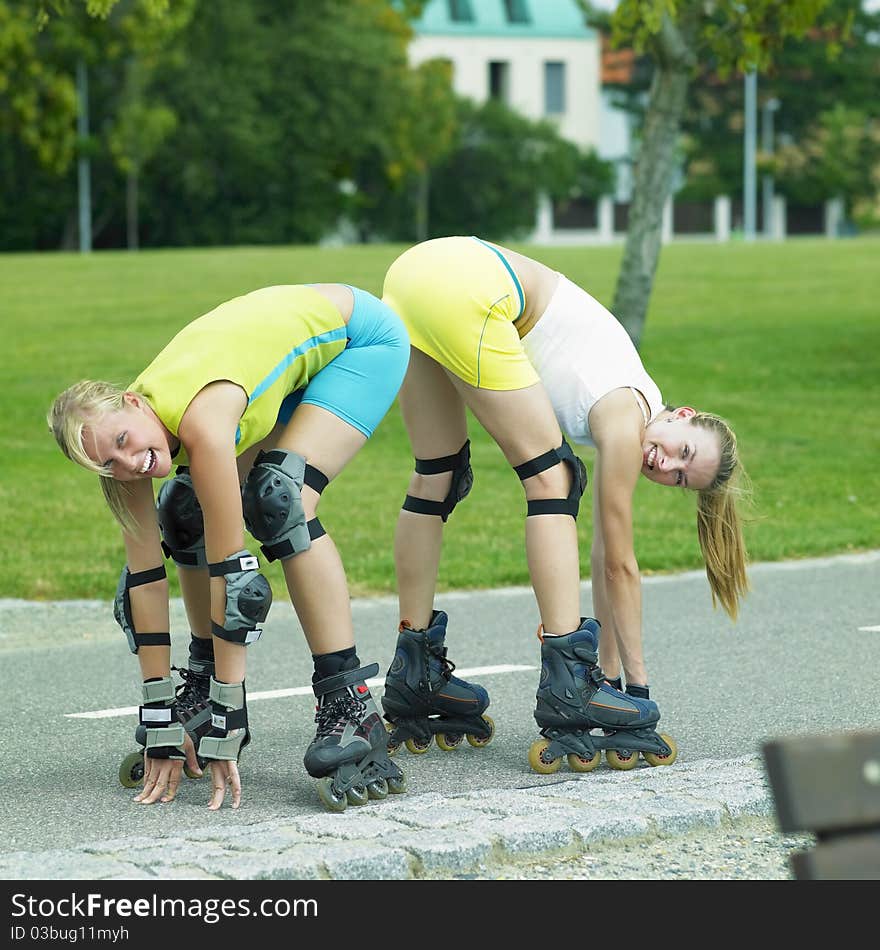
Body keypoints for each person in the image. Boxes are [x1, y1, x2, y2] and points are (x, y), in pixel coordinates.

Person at [378, 236, 749, 773]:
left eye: (680, 478)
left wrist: (615, 676)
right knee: (553, 480)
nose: (665, 466)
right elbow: (621, 564)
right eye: (682, 451)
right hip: (467, 286)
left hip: (413, 273)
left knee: (438, 473)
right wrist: (637, 690)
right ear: (682, 413)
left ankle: (415, 673)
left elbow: (604, 557)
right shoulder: (625, 415)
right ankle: (570, 683)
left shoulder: (629, 404)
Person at [48, 282, 410, 811]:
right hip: (279, 361)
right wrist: (159, 714)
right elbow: (144, 583)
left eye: (123, 443)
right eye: (109, 463)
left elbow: (236, 582)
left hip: (361, 342)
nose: (128, 465)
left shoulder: (201, 421)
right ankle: (194, 686)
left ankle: (349, 703)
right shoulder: (124, 451)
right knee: (184, 509)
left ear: (131, 402)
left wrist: (229, 716)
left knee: (279, 499)